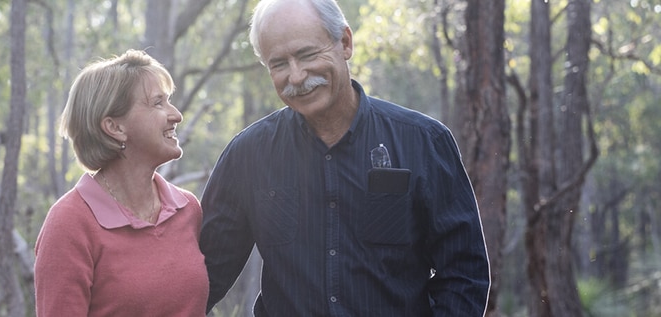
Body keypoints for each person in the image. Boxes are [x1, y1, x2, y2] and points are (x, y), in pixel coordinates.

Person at [199, 0, 491, 316]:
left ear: (345, 43)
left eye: (308, 54)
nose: (296, 77)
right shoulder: (248, 155)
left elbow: (464, 273)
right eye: (279, 64)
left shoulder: (423, 142)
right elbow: (202, 276)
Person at [34, 49, 208, 316]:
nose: (176, 115)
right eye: (157, 103)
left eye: (169, 101)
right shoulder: (69, 223)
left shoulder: (188, 209)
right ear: (115, 127)